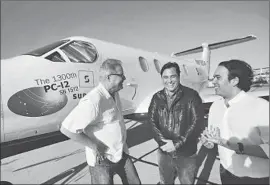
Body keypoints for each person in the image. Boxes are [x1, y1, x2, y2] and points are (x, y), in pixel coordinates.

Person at [60, 59, 141, 184]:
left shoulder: (114, 94)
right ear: (109, 77)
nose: (124, 78)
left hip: (121, 152)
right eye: (121, 75)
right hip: (102, 161)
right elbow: (67, 129)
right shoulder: (94, 101)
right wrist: (94, 146)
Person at [200, 59, 269, 184]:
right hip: (225, 172)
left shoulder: (261, 107)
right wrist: (208, 142)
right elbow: (214, 140)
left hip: (254, 179)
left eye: (218, 77)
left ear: (234, 81)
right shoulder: (215, 106)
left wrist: (233, 146)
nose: (213, 81)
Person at [148, 62, 205, 184]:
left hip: (186, 154)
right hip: (164, 153)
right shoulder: (156, 98)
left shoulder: (191, 96)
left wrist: (177, 144)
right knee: (166, 182)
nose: (169, 81)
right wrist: (163, 143)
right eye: (165, 77)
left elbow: (198, 122)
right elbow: (152, 122)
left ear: (179, 76)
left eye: (173, 76)